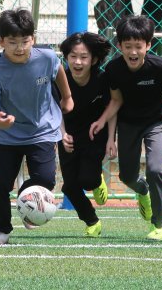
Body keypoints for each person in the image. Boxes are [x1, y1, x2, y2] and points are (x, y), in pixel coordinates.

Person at [89, 15, 162, 241]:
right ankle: (142, 190)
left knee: (155, 170)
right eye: (128, 47)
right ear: (120, 46)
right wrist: (108, 134)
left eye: (139, 46)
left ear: (148, 45)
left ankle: (158, 225)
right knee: (127, 176)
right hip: (128, 125)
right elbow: (115, 101)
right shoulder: (114, 70)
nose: (133, 52)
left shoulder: (159, 66)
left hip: (155, 123)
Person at [0, 8, 73, 245]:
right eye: (12, 42)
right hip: (7, 134)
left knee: (46, 180)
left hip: (42, 129)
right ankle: (1, 229)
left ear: (33, 38)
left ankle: (27, 204)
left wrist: (67, 96)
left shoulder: (47, 57)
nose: (20, 47)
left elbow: (59, 72)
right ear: (2, 41)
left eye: (25, 41)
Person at [58, 32, 116, 238]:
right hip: (68, 135)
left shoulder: (103, 79)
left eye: (84, 57)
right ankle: (92, 221)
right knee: (70, 186)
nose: (78, 62)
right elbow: (54, 111)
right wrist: (63, 135)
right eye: (73, 56)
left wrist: (111, 138)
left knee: (87, 180)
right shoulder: (60, 78)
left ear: (94, 59)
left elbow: (112, 107)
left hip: (95, 133)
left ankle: (97, 181)